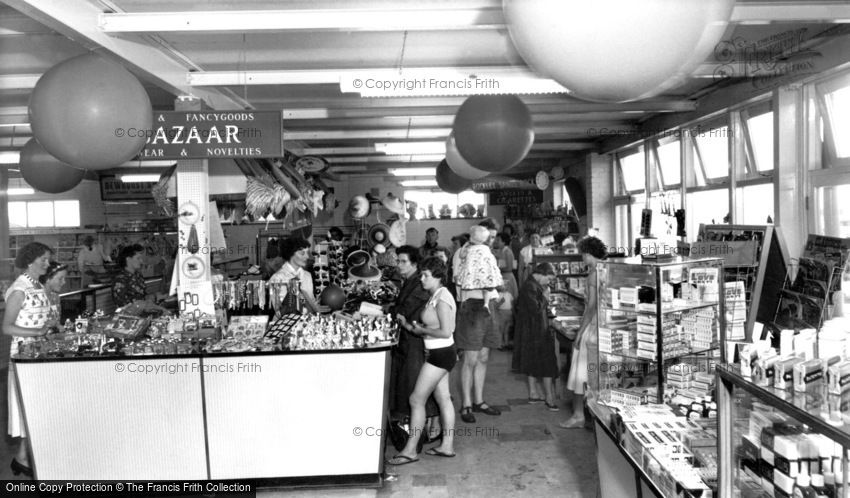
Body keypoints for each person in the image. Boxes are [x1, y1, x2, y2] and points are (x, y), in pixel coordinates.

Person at [388, 257, 458, 465]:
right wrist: (408, 326)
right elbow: (427, 330)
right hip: (438, 353)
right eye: (422, 274)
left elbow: (446, 331)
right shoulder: (434, 294)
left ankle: (410, 450)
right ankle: (447, 446)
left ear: (437, 276)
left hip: (440, 354)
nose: (422, 279)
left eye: (426, 275)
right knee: (443, 399)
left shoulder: (443, 297)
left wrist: (422, 329)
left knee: (415, 400)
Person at [1, 242, 55, 476]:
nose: (48, 263)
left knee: (38, 407)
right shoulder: (19, 289)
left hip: (39, 352)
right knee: (32, 407)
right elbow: (7, 327)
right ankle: (25, 458)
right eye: (43, 259)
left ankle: (23, 457)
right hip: (25, 355)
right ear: (30, 260)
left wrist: (49, 325)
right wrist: (37, 332)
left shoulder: (37, 286)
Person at [388, 246, 440, 443]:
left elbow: (406, 310)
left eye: (403, 261)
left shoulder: (418, 285)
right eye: (398, 261)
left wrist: (391, 311)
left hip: (416, 341)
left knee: (417, 385)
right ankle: (423, 428)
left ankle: (426, 429)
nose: (399, 265)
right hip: (409, 339)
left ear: (415, 264)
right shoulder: (409, 281)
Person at [454, 225, 503, 424]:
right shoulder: (463, 252)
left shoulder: (487, 253)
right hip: (472, 306)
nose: (492, 240)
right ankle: (466, 402)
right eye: (489, 237)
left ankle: (478, 400)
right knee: (470, 358)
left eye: (492, 237)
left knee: (483, 356)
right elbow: (458, 279)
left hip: (488, 305)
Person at [560, 235, 606, 429]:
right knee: (596, 372)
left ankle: (579, 415)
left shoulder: (593, 275)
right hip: (605, 325)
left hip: (593, 326)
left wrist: (579, 332)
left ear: (589, 254)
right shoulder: (608, 269)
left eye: (583, 255)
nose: (582, 259)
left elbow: (591, 307)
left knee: (580, 370)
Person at [513, 263, 560, 411]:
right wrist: (545, 298)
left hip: (531, 329)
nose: (549, 283)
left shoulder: (531, 284)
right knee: (548, 363)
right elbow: (535, 309)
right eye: (549, 279)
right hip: (536, 329)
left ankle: (533, 393)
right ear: (542, 273)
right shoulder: (530, 287)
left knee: (531, 361)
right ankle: (549, 398)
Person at [270, 237, 321, 314]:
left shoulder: (307, 276)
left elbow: (311, 301)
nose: (307, 257)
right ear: (291, 254)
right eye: (302, 253)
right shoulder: (277, 278)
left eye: (307, 253)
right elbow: (278, 310)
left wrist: (318, 306)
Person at [112, 244, 166, 311]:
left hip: (144, 312)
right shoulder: (120, 280)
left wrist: (153, 297)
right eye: (138, 258)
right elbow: (124, 307)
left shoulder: (138, 275)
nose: (141, 261)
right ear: (128, 259)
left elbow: (143, 295)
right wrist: (152, 306)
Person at [39, 261, 68, 327]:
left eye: (64, 278)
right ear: (47, 279)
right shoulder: (37, 298)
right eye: (60, 279)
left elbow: (57, 323)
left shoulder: (55, 297)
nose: (64, 282)